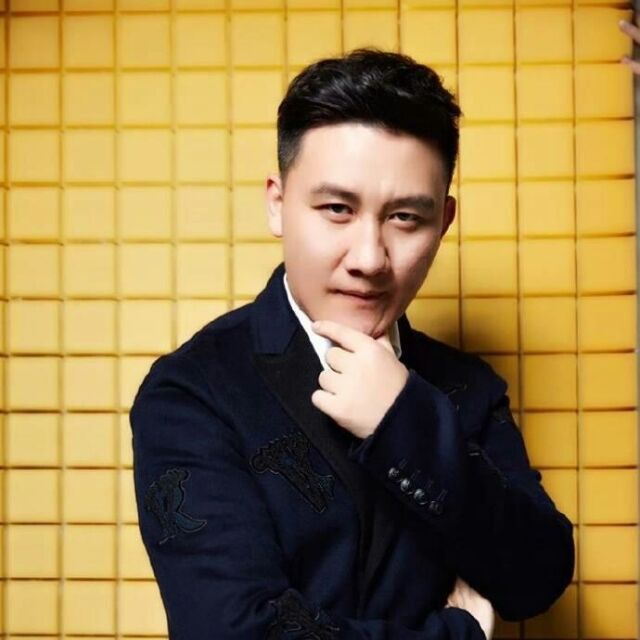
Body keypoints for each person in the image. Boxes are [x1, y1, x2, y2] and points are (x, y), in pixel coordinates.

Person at [130, 48, 575, 639]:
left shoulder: (468, 387)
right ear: (278, 205)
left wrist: (406, 423)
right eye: (337, 209)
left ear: (443, 222)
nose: (369, 259)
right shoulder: (194, 391)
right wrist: (459, 634)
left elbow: (538, 575)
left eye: (405, 218)